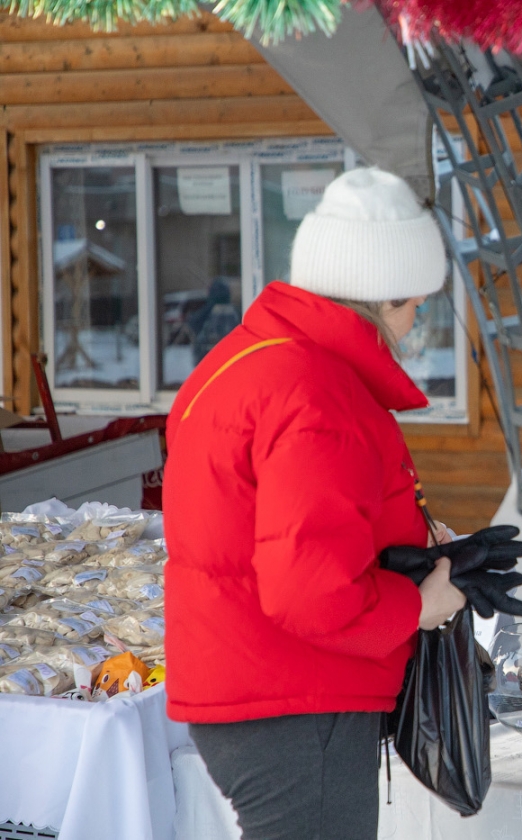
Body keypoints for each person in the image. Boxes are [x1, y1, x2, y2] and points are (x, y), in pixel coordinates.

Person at [164, 168, 471, 840]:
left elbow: (271, 527)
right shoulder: (319, 394)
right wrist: (423, 604)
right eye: (416, 304)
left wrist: (412, 536)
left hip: (249, 686)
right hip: (298, 703)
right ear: (383, 299)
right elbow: (310, 591)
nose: (417, 322)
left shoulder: (242, 362)